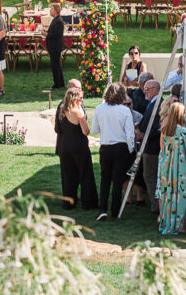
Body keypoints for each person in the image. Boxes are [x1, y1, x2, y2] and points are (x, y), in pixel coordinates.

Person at [92, 82, 136, 221]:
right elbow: (130, 134)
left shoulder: (99, 108)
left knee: (105, 180)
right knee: (118, 181)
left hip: (105, 147)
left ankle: (102, 209)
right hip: (121, 148)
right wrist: (131, 150)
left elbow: (94, 130)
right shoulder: (125, 111)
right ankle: (115, 210)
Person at [54, 85, 97, 212]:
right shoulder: (78, 112)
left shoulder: (62, 109)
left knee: (68, 174)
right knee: (85, 173)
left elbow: (59, 129)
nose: (82, 100)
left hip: (65, 145)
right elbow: (86, 132)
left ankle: (68, 202)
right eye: (80, 98)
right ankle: (88, 202)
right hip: (78, 145)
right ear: (74, 98)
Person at [157, 101, 186, 234]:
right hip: (181, 168)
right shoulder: (182, 131)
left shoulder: (165, 130)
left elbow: (162, 148)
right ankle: (181, 225)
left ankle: (169, 223)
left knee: (169, 196)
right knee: (182, 195)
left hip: (167, 168)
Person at [134, 79, 163, 210]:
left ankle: (156, 206)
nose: (144, 91)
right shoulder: (154, 103)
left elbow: (157, 128)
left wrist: (143, 135)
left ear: (155, 89)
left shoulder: (158, 104)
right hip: (150, 146)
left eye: (147, 89)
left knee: (150, 176)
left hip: (152, 148)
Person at [45, 2, 67, 89]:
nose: (50, 11)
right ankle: (60, 83)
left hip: (55, 46)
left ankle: (57, 83)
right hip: (54, 46)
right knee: (56, 65)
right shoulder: (56, 19)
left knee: (55, 65)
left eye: (51, 9)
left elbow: (57, 34)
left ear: (56, 11)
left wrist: (47, 34)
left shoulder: (58, 21)